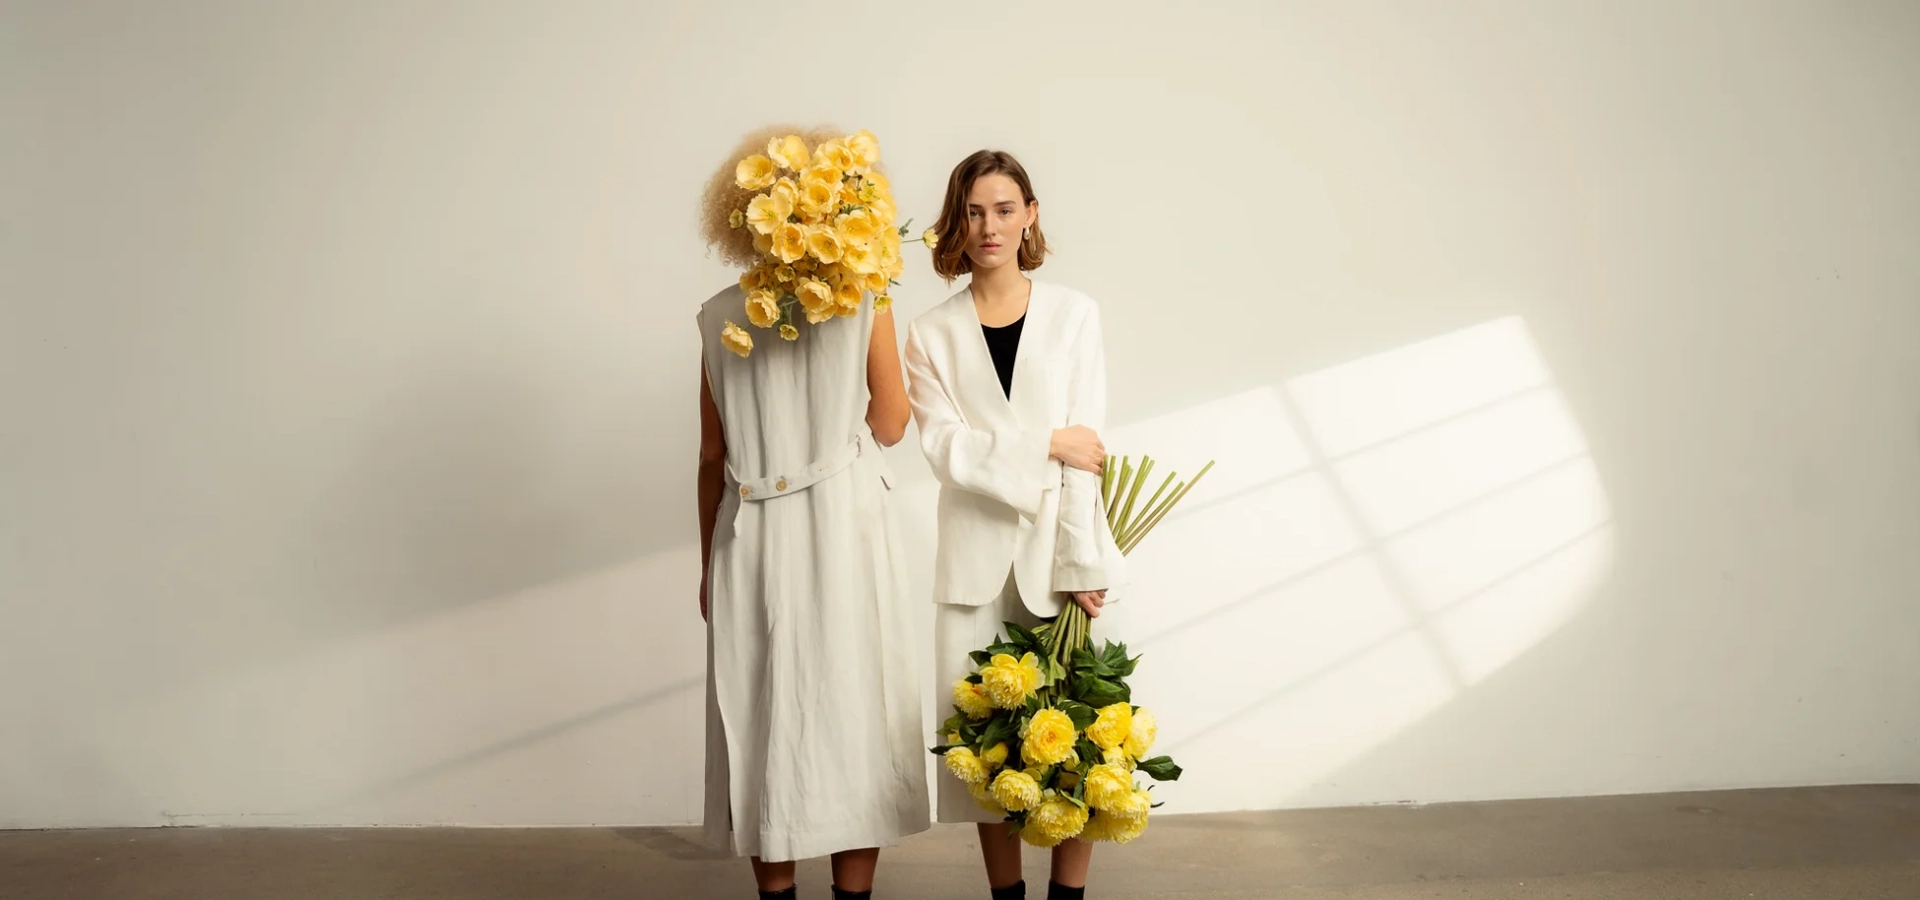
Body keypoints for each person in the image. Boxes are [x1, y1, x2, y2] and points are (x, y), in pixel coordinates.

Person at [694, 126, 929, 900]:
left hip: (751, 529)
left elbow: (710, 457)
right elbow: (892, 421)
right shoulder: (866, 294)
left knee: (765, 718)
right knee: (850, 712)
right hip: (846, 526)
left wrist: (707, 566)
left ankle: (778, 894)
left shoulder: (716, 316)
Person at [903, 149, 1127, 900]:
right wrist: (1044, 443)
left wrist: (1083, 563)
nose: (988, 226)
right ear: (955, 223)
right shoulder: (929, 333)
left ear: (1030, 214)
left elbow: (1084, 454)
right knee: (983, 749)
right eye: (973, 212)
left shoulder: (1074, 315)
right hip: (970, 565)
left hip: (1053, 557)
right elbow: (944, 448)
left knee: (1076, 741)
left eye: (1003, 209)